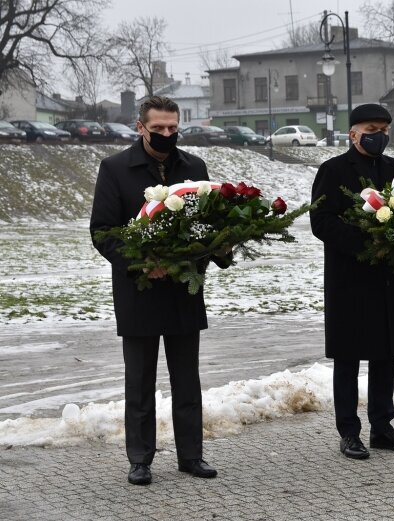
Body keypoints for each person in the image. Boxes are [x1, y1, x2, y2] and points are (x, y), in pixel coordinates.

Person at [90, 96, 226, 485]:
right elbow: (102, 232)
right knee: (140, 381)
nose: (167, 135)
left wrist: (221, 247)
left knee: (188, 380)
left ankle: (191, 456)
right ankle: (140, 459)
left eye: (172, 128)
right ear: (140, 127)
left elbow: (208, 223)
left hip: (184, 290)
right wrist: (145, 264)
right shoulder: (115, 168)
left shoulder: (194, 168)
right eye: (158, 129)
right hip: (139, 292)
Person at [310, 103, 394, 460]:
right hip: (350, 277)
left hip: (389, 278)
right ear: (353, 133)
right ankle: (349, 432)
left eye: (385, 129)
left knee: (386, 354)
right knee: (348, 356)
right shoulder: (333, 169)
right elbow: (321, 222)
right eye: (372, 128)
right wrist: (367, 243)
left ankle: (383, 428)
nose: (380, 136)